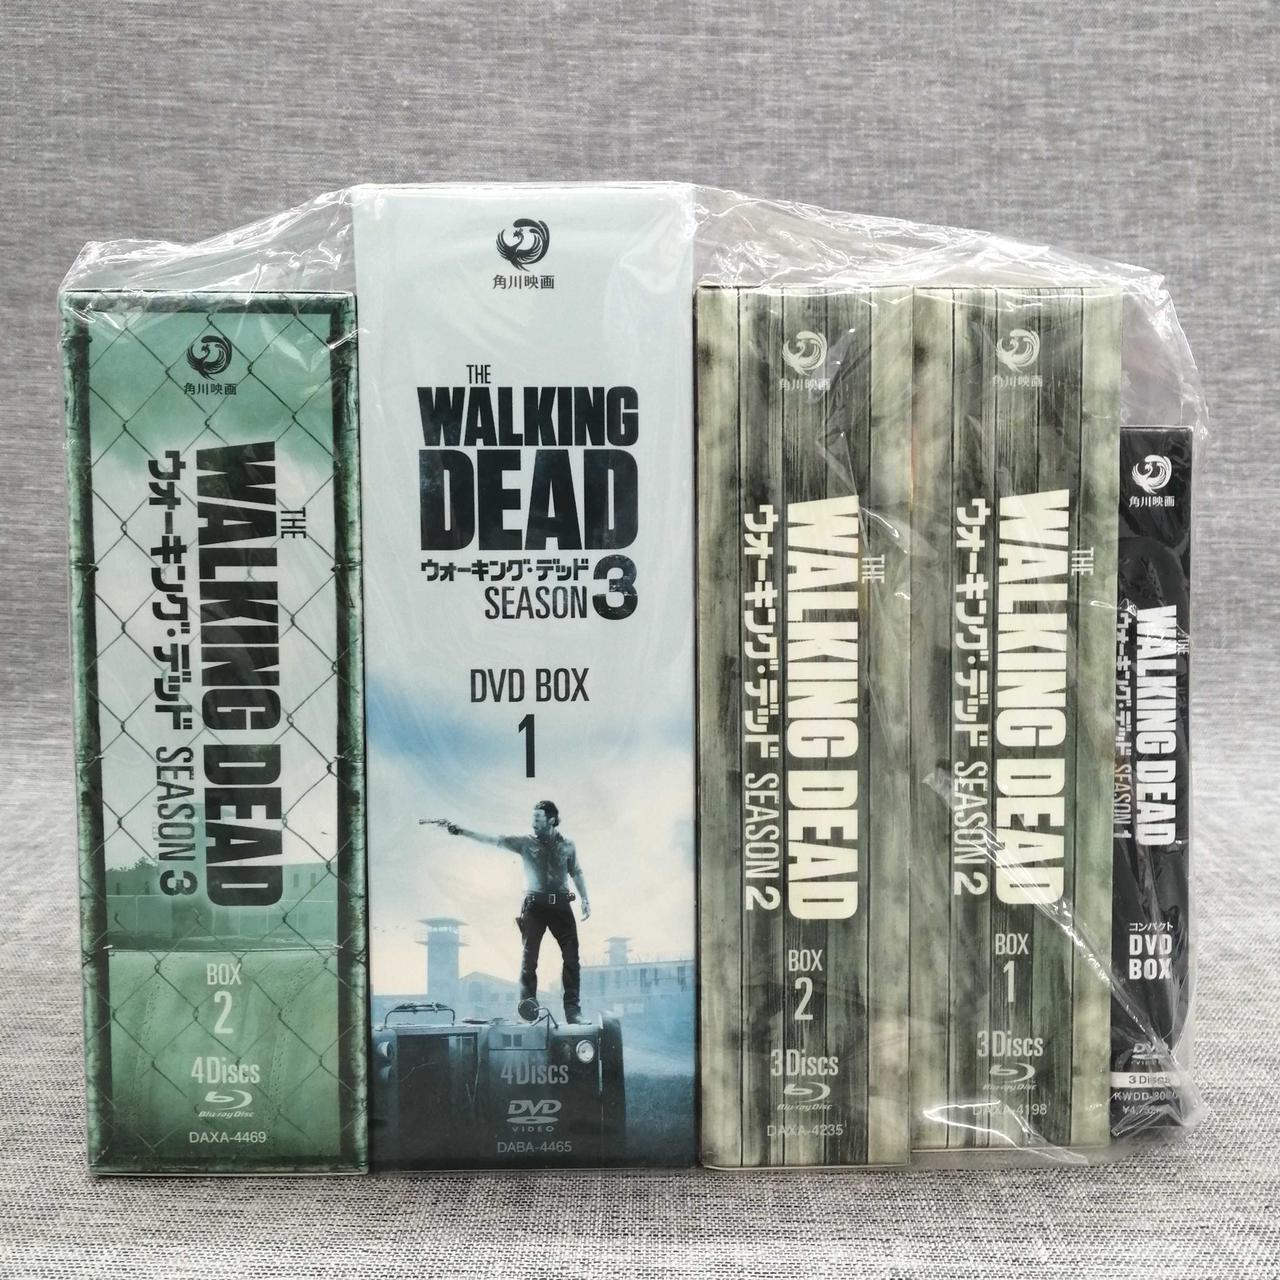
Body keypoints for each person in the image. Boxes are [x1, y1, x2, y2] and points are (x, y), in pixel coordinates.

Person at [426, 801, 590, 1023]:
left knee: (571, 957)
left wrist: (585, 898)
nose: (533, 823)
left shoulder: (568, 846)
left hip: (561, 907)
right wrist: (461, 831)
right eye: (533, 818)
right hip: (535, 907)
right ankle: (528, 1005)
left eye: (538, 818)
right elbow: (495, 840)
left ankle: (573, 1011)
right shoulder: (525, 843)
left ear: (551, 820)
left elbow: (576, 872)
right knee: (529, 958)